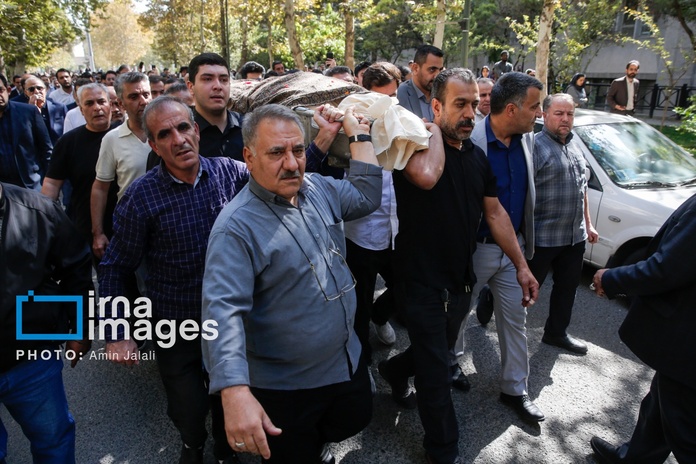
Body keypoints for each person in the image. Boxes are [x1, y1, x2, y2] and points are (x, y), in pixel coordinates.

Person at [201, 104, 382, 463]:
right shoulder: (235, 228)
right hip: (285, 388)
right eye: (276, 153)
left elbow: (366, 195)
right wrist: (234, 391)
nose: (292, 163)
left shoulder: (318, 188)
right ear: (249, 158)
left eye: (298, 150)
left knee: (356, 415)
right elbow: (222, 313)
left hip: (344, 361)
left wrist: (358, 133)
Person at [379, 68, 538, 464]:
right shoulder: (413, 149)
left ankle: (394, 371)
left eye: (474, 104)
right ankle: (443, 449)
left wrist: (521, 265)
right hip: (419, 280)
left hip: (461, 280)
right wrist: (434, 130)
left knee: (435, 351)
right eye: (460, 104)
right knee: (435, 371)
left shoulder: (478, 158)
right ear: (436, 106)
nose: (471, 114)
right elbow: (427, 178)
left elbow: (495, 213)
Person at [98, 96, 249, 464]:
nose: (178, 140)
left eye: (183, 128)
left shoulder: (232, 173)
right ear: (153, 145)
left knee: (228, 395)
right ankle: (192, 445)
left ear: (196, 130)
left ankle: (226, 451)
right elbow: (115, 267)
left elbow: (282, 178)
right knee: (188, 405)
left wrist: (323, 143)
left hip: (229, 320)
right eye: (164, 134)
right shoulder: (140, 198)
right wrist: (117, 332)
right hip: (175, 321)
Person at [462, 72, 545, 423]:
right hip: (475, 249)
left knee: (515, 320)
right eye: (535, 107)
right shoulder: (469, 141)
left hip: (514, 251)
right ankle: (451, 364)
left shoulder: (528, 140)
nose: (539, 114)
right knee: (457, 315)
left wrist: (523, 257)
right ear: (511, 109)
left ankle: (515, 388)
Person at [590, 193, 696, 463]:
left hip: (687, 345)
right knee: (659, 404)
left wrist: (612, 279)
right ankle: (633, 458)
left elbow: (667, 268)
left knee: (685, 432)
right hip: (683, 348)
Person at [0, 181, 93, 463]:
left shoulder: (38, 211)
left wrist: (80, 329)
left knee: (53, 442)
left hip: (31, 360)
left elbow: (76, 268)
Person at [528, 94, 599, 357]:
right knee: (526, 289)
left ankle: (556, 333)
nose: (565, 119)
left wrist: (588, 224)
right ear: (544, 115)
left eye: (570, 114)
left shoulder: (575, 146)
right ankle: (490, 300)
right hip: (543, 238)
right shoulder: (534, 147)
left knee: (567, 289)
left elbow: (582, 189)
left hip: (574, 237)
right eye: (559, 113)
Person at [41, 83, 118, 249]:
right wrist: (43, 219)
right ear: (81, 110)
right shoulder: (68, 142)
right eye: (89, 103)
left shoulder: (124, 134)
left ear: (110, 104)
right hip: (87, 225)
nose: (97, 108)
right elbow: (52, 185)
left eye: (101, 101)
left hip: (128, 222)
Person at [90, 72, 151, 259]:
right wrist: (98, 233)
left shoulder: (170, 131)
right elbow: (100, 188)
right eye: (134, 97)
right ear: (121, 103)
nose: (143, 101)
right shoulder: (112, 139)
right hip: (133, 229)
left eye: (146, 94)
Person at [0, 73, 53, 190]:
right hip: (3, 190)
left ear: (8, 90)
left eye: (0, 90)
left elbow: (46, 150)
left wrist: (50, 185)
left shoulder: (28, 112)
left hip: (32, 186)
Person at [397, 44, 445, 122]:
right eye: (432, 69)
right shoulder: (399, 94)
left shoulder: (443, 94)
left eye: (440, 70)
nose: (437, 75)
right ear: (415, 68)